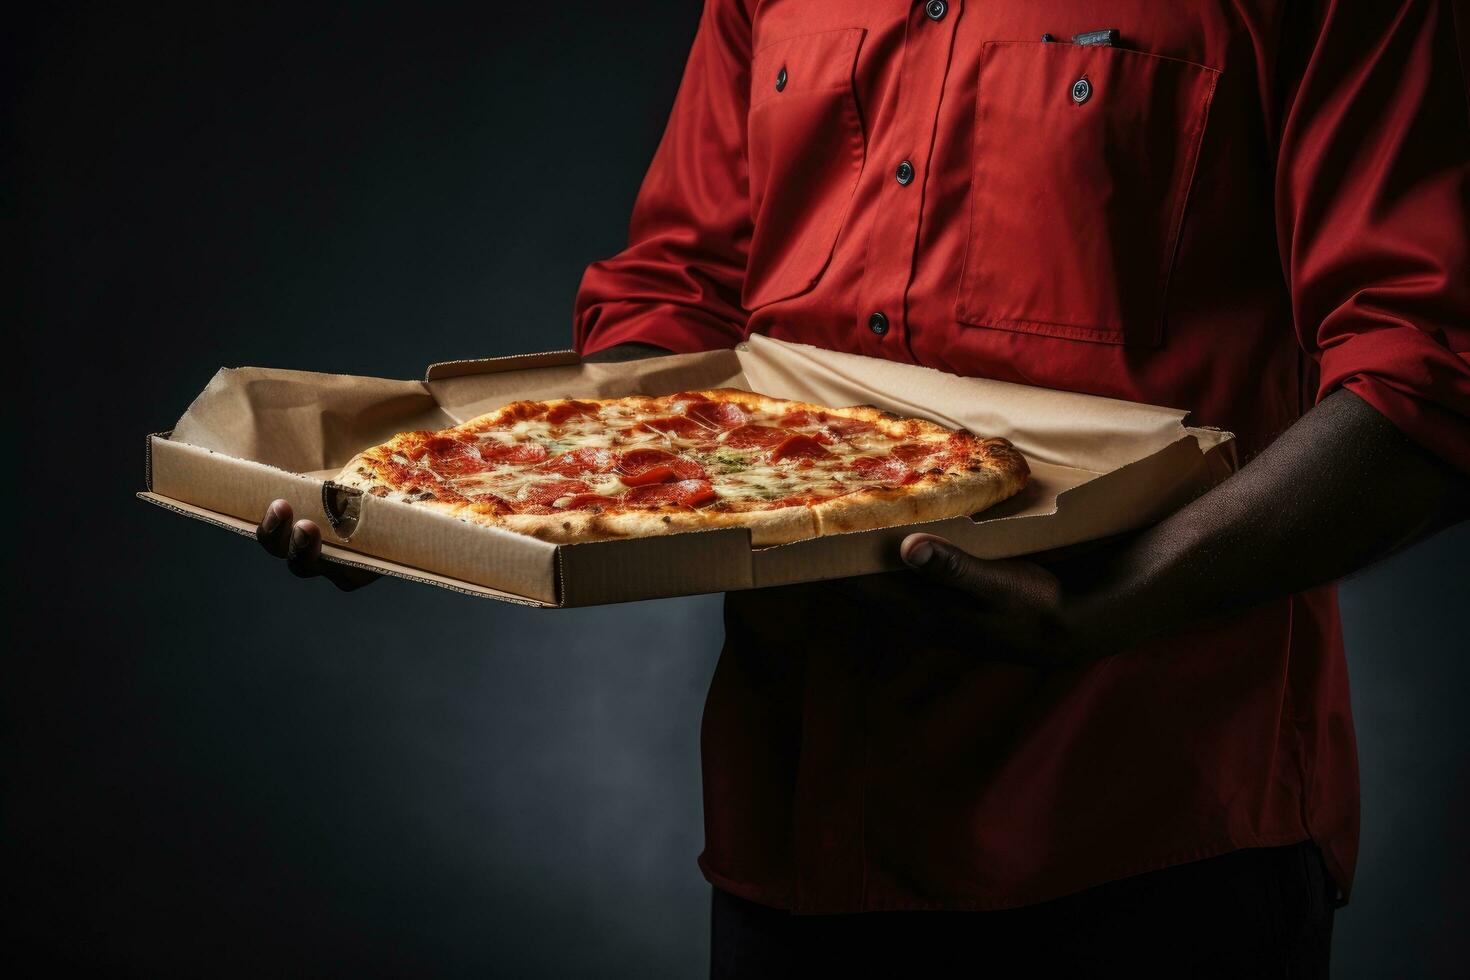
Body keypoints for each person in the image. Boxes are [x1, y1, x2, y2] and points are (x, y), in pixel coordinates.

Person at [256, 2, 1470, 975]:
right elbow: (676, 293)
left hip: (1155, 827)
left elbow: (1435, 369)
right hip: (800, 821)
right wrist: (470, 502)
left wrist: (1119, 602)